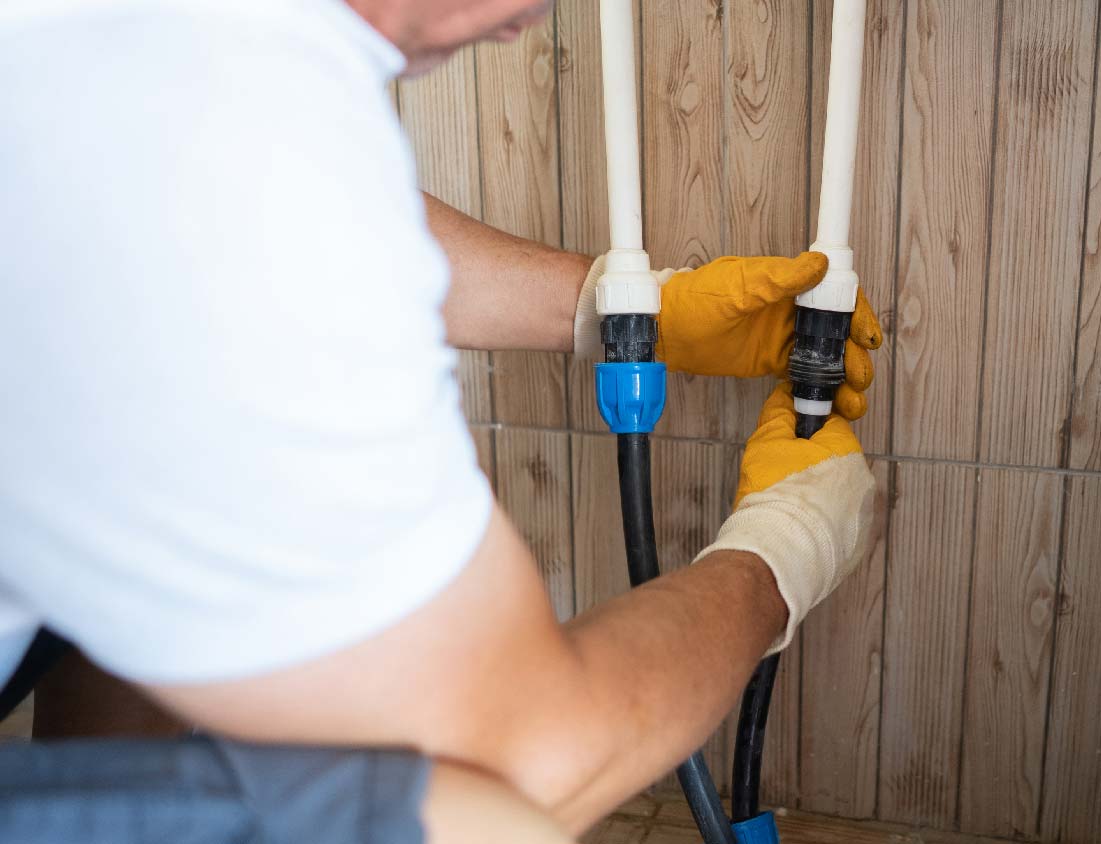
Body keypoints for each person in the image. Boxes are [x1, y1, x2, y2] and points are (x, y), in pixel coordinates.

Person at [0, 0, 883, 840]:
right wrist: (784, 548)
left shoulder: (158, 51)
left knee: (175, 518)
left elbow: (254, 222)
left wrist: (628, 307)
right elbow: (522, 755)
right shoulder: (241, 118)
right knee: (472, 820)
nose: (530, 17)